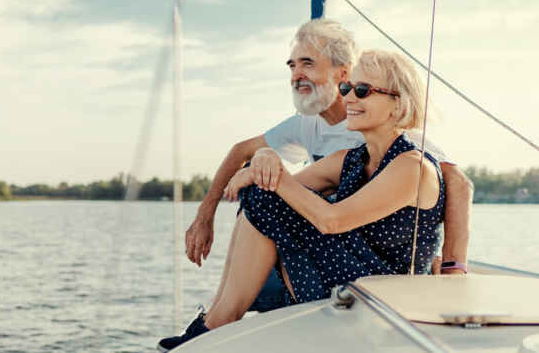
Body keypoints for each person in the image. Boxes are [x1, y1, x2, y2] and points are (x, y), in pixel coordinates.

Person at [159, 48, 447, 351]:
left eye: (362, 90)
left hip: (386, 296)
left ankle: (218, 322)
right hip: (352, 280)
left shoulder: (412, 167)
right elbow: (277, 193)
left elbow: (332, 221)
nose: (348, 98)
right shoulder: (351, 159)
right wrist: (262, 161)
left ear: (398, 103)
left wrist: (270, 170)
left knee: (267, 192)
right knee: (263, 194)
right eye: (346, 88)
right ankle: (218, 318)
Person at [184, 20, 472, 313]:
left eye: (307, 63)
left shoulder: (403, 142)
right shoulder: (320, 132)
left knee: (266, 209)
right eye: (292, 66)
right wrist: (206, 215)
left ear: (341, 72)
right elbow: (243, 153)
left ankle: (223, 316)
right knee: (261, 197)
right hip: (340, 249)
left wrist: (452, 267)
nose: (296, 74)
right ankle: (217, 316)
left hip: (374, 270)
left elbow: (457, 183)